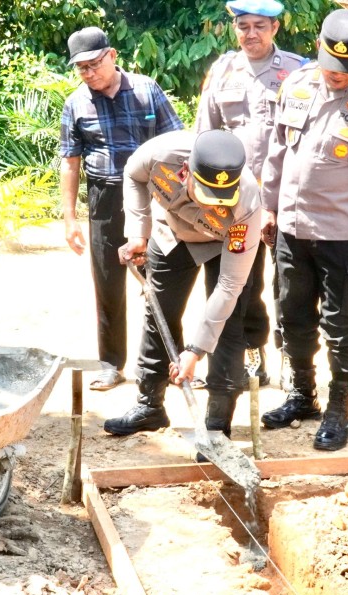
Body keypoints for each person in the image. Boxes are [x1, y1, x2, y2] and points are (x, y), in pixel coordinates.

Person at [259, 9, 348, 451]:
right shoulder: (295, 85)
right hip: (292, 228)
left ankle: (339, 410)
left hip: (344, 235)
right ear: (319, 49)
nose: (337, 76)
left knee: (340, 326)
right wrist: (267, 207)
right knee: (293, 316)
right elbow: (277, 152)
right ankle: (303, 395)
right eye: (331, 66)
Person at [102, 130, 260, 439]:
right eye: (206, 196)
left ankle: (216, 423)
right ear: (185, 171)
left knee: (227, 326)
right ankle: (150, 406)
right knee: (159, 312)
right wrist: (138, 231)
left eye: (220, 200)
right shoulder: (161, 154)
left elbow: (229, 285)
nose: (214, 205)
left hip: (223, 243)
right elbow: (133, 176)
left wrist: (195, 350)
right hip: (171, 234)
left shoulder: (248, 201)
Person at [60, 26, 184, 392]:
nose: (89, 73)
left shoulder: (147, 90)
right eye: (81, 68)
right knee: (107, 283)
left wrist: (178, 199)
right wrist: (70, 218)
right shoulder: (76, 103)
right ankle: (111, 364)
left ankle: (173, 362)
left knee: (161, 280)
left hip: (152, 195)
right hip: (105, 198)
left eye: (94, 64)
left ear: (112, 55)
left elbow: (177, 143)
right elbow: (70, 161)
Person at [195, 0, 305, 390]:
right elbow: (204, 138)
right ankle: (250, 353)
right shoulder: (222, 70)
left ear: (275, 28)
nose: (251, 34)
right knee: (243, 282)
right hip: (236, 203)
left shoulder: (298, 71)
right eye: (243, 26)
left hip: (287, 199)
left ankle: (293, 361)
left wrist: (276, 204)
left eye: (260, 26)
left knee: (291, 286)